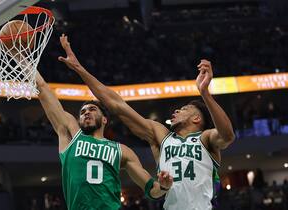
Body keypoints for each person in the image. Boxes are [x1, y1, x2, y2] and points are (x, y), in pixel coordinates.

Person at [58, 34, 235, 210]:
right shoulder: (161, 135)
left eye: (183, 110)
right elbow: (117, 105)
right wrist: (78, 68)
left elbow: (227, 135)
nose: (176, 111)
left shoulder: (205, 139)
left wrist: (204, 92)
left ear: (196, 119)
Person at [33, 48, 173, 210]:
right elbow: (42, 88)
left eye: (92, 110)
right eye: (83, 112)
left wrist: (163, 187)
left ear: (105, 119)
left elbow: (152, 191)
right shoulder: (72, 136)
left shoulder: (122, 150)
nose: (86, 113)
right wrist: (23, 59)